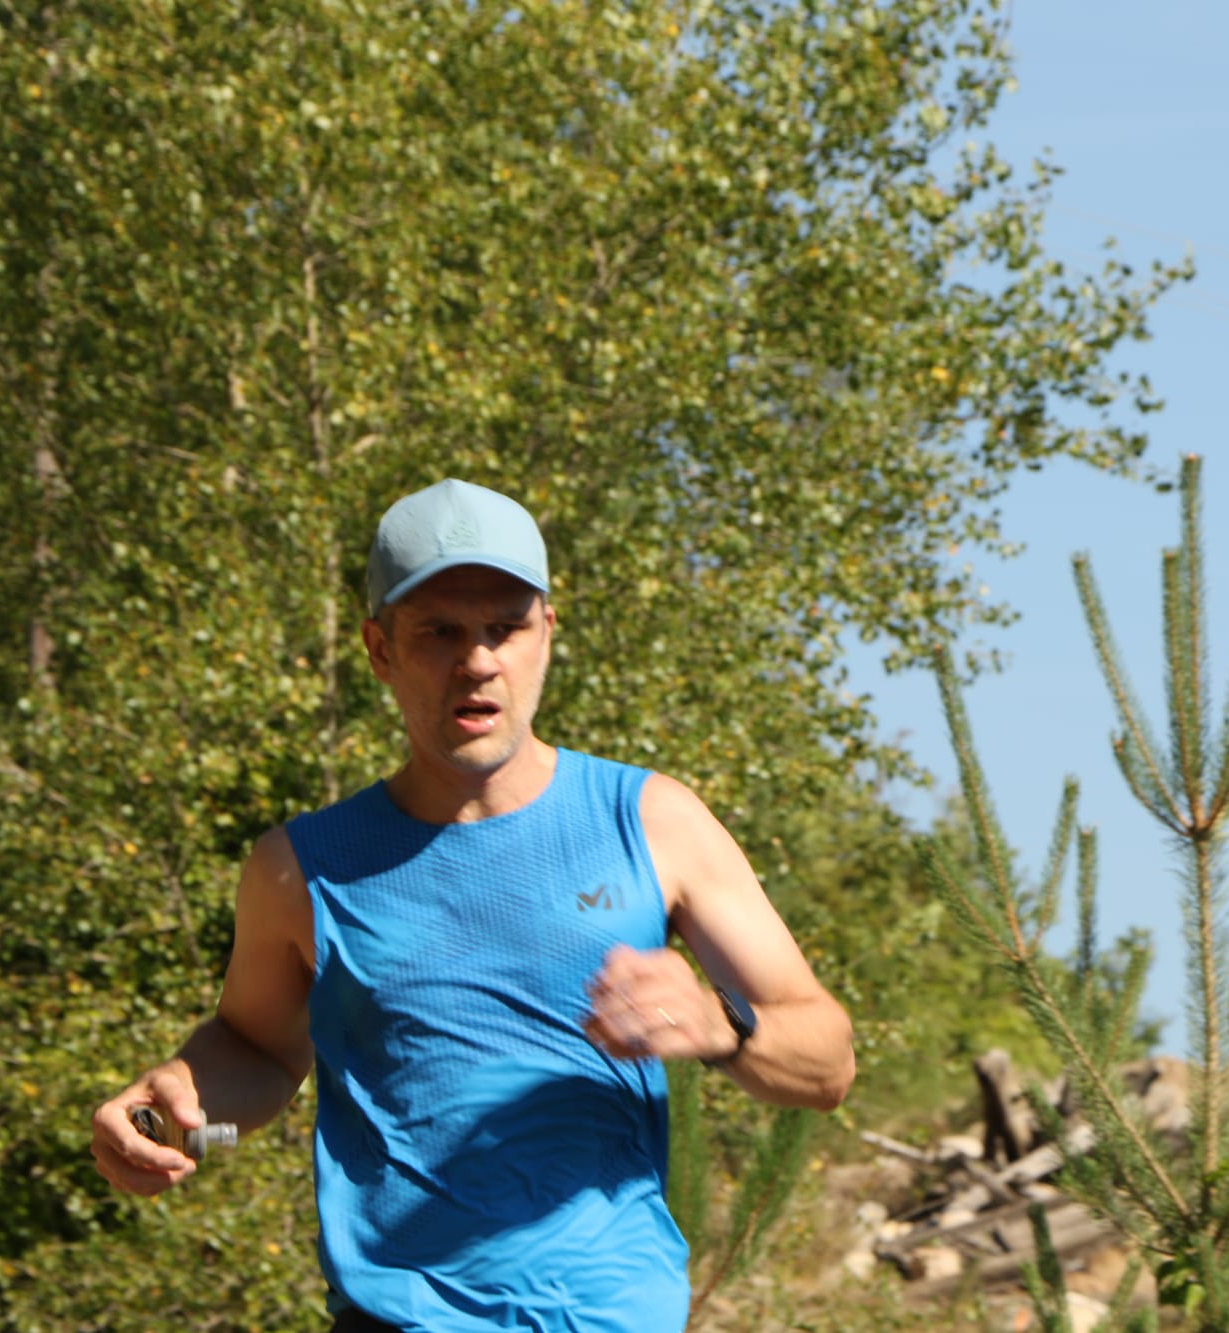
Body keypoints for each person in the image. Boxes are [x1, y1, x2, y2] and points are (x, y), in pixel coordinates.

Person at [90, 478, 856, 1332]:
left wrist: (720, 1025)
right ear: (380, 650)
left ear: (547, 634)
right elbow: (260, 1055)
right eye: (440, 632)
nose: (479, 660)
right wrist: (176, 1102)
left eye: (505, 627)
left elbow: (827, 1063)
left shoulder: (652, 821)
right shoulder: (300, 867)